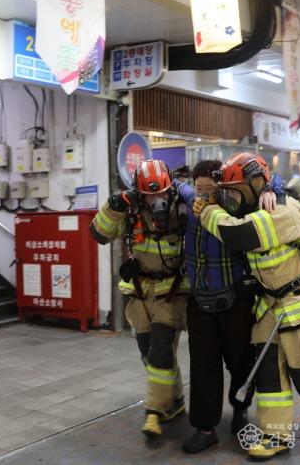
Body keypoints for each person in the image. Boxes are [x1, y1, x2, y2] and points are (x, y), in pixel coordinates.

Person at [194, 152, 300, 461]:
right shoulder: (260, 202)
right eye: (227, 192)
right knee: (268, 375)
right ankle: (276, 434)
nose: (231, 199)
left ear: (256, 182)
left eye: (235, 191)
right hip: (274, 306)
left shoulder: (282, 210)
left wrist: (208, 211)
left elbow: (238, 234)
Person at [182, 160, 279, 454]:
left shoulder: (238, 207)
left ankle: (240, 410)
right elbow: (173, 184)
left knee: (240, 360)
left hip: (236, 298)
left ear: (222, 187)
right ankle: (205, 427)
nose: (203, 195)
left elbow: (271, 180)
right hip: (199, 298)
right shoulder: (188, 202)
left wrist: (273, 189)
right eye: (199, 189)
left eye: (210, 190)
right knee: (202, 365)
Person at [90, 159, 192, 439]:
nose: (156, 200)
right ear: (138, 193)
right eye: (150, 194)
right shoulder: (131, 213)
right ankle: (175, 402)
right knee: (150, 353)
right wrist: (113, 207)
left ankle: (154, 411)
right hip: (141, 293)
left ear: (170, 188)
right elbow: (98, 234)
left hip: (172, 293)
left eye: (161, 193)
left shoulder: (183, 207)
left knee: (160, 349)